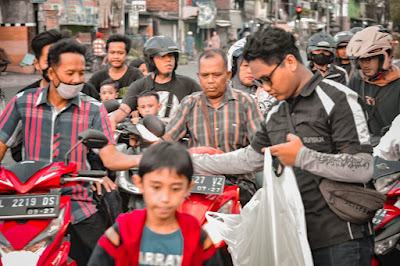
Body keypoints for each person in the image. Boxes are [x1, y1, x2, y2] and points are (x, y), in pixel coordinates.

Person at [191, 27, 374, 265]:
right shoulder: (277, 112)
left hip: (341, 239)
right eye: (259, 81)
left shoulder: (338, 99)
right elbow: (249, 159)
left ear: (289, 62)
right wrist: (189, 161)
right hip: (294, 237)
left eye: (268, 78)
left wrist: (302, 156)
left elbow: (363, 166)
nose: (265, 88)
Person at [0, 39, 141, 266]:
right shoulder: (21, 103)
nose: (77, 80)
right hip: (30, 204)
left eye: (81, 72)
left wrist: (147, 159)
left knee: (108, 258)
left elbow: (110, 158)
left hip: (78, 203)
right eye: (70, 73)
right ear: (51, 72)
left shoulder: (94, 109)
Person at [87, 142, 215, 265]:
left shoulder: (195, 235)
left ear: (188, 188)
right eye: (156, 187)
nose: (165, 198)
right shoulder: (123, 231)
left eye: (175, 188)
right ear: (139, 184)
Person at [163, 49, 263, 205]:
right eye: (205, 75)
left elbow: (260, 147)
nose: (210, 80)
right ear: (198, 77)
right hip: (198, 182)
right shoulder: (189, 104)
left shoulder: (246, 103)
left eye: (216, 75)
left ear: (228, 76)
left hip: (237, 182)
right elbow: (167, 140)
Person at [12, 29, 100, 163]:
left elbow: (100, 140)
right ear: (37, 63)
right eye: (49, 60)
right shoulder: (23, 99)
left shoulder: (88, 94)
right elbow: (15, 144)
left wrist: (95, 171)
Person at [110, 35, 200, 130]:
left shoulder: (188, 84)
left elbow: (206, 108)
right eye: (162, 56)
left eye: (171, 55)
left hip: (180, 140)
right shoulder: (139, 85)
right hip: (146, 139)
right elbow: (124, 109)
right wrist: (113, 120)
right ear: (151, 60)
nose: (168, 60)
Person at [346, 25, 400, 146]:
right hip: (363, 148)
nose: (365, 64)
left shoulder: (397, 84)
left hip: (392, 153)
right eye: (361, 59)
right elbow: (345, 113)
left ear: (384, 57)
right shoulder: (357, 80)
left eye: (370, 59)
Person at [228, 38, 276, 115]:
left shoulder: (271, 94)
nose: (250, 71)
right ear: (235, 67)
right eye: (245, 65)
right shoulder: (224, 93)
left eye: (255, 66)